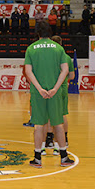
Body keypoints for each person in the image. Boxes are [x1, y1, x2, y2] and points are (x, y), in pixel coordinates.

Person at [24, 22, 74, 168]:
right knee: (58, 123)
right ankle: (63, 157)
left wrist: (39, 88)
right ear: (50, 33)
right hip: (55, 92)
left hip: (38, 93)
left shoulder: (31, 49)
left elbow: (28, 72)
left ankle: (37, 158)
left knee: (39, 125)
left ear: (37, 34)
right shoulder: (59, 48)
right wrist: (55, 88)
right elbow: (65, 71)